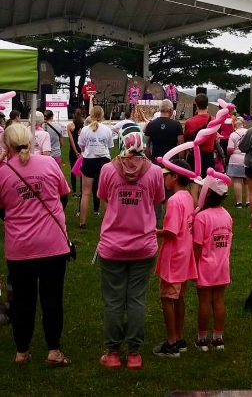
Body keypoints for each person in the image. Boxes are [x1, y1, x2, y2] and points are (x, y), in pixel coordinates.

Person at [0, 123, 71, 367]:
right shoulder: (48, 165)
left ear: (7, 145)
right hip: (52, 244)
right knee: (52, 298)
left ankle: (22, 351)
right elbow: (63, 196)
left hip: (20, 247)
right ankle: (53, 350)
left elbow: (1, 209)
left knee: (22, 301)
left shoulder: (2, 173)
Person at [96, 125, 165, 370]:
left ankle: (113, 353)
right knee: (136, 299)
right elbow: (157, 201)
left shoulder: (107, 169)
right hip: (143, 244)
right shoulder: (155, 172)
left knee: (114, 300)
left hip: (112, 245)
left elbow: (104, 199)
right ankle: (134, 354)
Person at [153, 159, 197, 358]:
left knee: (167, 298)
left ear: (175, 176)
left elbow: (171, 231)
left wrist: (152, 232)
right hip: (185, 253)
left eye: (166, 175)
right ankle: (178, 337)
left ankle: (171, 342)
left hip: (174, 256)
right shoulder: (187, 197)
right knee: (179, 297)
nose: (163, 178)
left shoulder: (174, 200)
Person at [193, 179, 233, 351]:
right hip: (222, 265)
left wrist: (193, 267)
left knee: (204, 301)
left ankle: (202, 339)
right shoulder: (227, 216)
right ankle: (218, 337)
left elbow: (197, 246)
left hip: (205, 266)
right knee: (218, 300)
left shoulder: (201, 217)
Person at [78, 106, 113, 228]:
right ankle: (107, 221)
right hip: (104, 160)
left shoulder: (85, 130)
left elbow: (81, 147)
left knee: (86, 193)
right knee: (105, 193)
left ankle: (82, 222)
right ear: (102, 115)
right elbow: (110, 147)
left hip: (89, 160)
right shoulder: (107, 130)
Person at [184, 94, 217, 195]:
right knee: (207, 186)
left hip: (194, 156)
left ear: (196, 105)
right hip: (208, 155)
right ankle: (206, 207)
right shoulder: (214, 120)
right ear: (207, 105)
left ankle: (195, 208)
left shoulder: (189, 122)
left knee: (194, 185)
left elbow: (186, 139)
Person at [145, 99, 183, 164]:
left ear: (160, 110)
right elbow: (181, 145)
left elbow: (145, 145)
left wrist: (150, 158)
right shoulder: (177, 124)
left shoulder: (150, 124)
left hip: (156, 160)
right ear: (171, 110)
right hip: (172, 161)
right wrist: (181, 159)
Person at [227, 117, 250, 208]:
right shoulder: (249, 132)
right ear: (244, 123)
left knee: (237, 181)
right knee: (248, 181)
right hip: (248, 159)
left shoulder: (233, 135)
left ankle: (239, 203)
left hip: (236, 160)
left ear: (235, 124)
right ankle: (248, 201)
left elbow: (230, 149)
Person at [67, 109, 85, 199]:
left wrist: (76, 152)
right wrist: (81, 151)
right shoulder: (84, 126)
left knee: (73, 170)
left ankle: (74, 191)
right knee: (82, 170)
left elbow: (71, 141)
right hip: (82, 150)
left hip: (74, 150)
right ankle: (82, 191)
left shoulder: (70, 126)